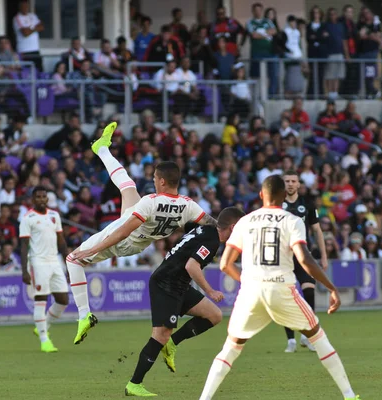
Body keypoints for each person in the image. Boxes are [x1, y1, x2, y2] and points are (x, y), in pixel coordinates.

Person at [199, 175, 360, 400]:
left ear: (260, 195)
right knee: (318, 337)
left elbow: (225, 263)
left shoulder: (245, 221)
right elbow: (304, 260)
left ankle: (203, 399)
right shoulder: (291, 220)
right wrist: (331, 288)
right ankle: (350, 395)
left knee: (231, 348)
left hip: (251, 292)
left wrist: (247, 281)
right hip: (282, 288)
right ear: (284, 196)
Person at [67, 122, 216, 345]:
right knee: (127, 186)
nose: (154, 181)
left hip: (123, 238)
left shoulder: (150, 202)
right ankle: (101, 148)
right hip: (140, 241)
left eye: (156, 178)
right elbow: (211, 223)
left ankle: (83, 315)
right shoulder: (189, 205)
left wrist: (93, 249)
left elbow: (121, 231)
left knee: (73, 260)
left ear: (162, 181)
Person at [125, 207, 245, 397]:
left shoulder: (207, 230)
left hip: (178, 284)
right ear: (233, 227)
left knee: (214, 315)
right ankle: (134, 384)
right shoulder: (212, 240)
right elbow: (192, 266)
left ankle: (172, 344)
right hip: (166, 284)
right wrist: (210, 291)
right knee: (159, 335)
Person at [281, 170, 328, 353]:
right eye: (287, 181)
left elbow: (317, 231)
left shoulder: (307, 204)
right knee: (286, 297)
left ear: (299, 184)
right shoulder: (277, 204)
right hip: (283, 258)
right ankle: (290, 340)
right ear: (283, 184)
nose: (291, 184)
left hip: (303, 256)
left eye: (294, 181)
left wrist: (323, 256)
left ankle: (306, 336)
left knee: (309, 292)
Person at [19, 186, 70, 353]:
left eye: (43, 196)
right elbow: (24, 246)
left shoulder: (54, 215)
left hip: (54, 260)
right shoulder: (28, 218)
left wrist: (68, 262)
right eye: (38, 197)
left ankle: (43, 325)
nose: (41, 199)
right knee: (41, 299)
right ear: (33, 200)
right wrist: (25, 270)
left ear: (47, 199)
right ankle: (44, 340)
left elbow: (61, 241)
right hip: (38, 262)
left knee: (63, 300)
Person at [13, 0, 44, 71]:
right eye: (23, 6)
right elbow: (25, 33)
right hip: (24, 50)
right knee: (26, 72)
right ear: (20, 7)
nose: (25, 8)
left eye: (26, 6)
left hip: (35, 49)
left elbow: (42, 27)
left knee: (39, 70)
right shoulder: (17, 18)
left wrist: (30, 28)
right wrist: (34, 27)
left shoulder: (33, 16)